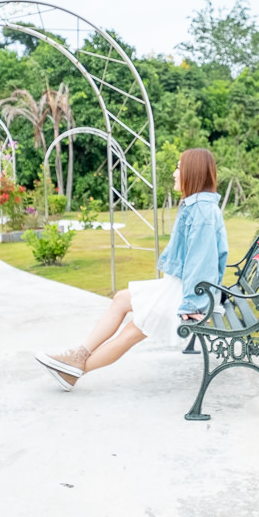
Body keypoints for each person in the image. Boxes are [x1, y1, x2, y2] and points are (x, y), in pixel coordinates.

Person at [35, 148, 229, 391]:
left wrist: (191, 306)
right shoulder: (197, 206)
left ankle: (74, 370)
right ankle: (77, 356)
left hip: (187, 294)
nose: (174, 173)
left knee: (132, 330)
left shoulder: (201, 211)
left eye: (179, 167)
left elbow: (201, 264)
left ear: (193, 172)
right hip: (180, 286)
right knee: (121, 299)